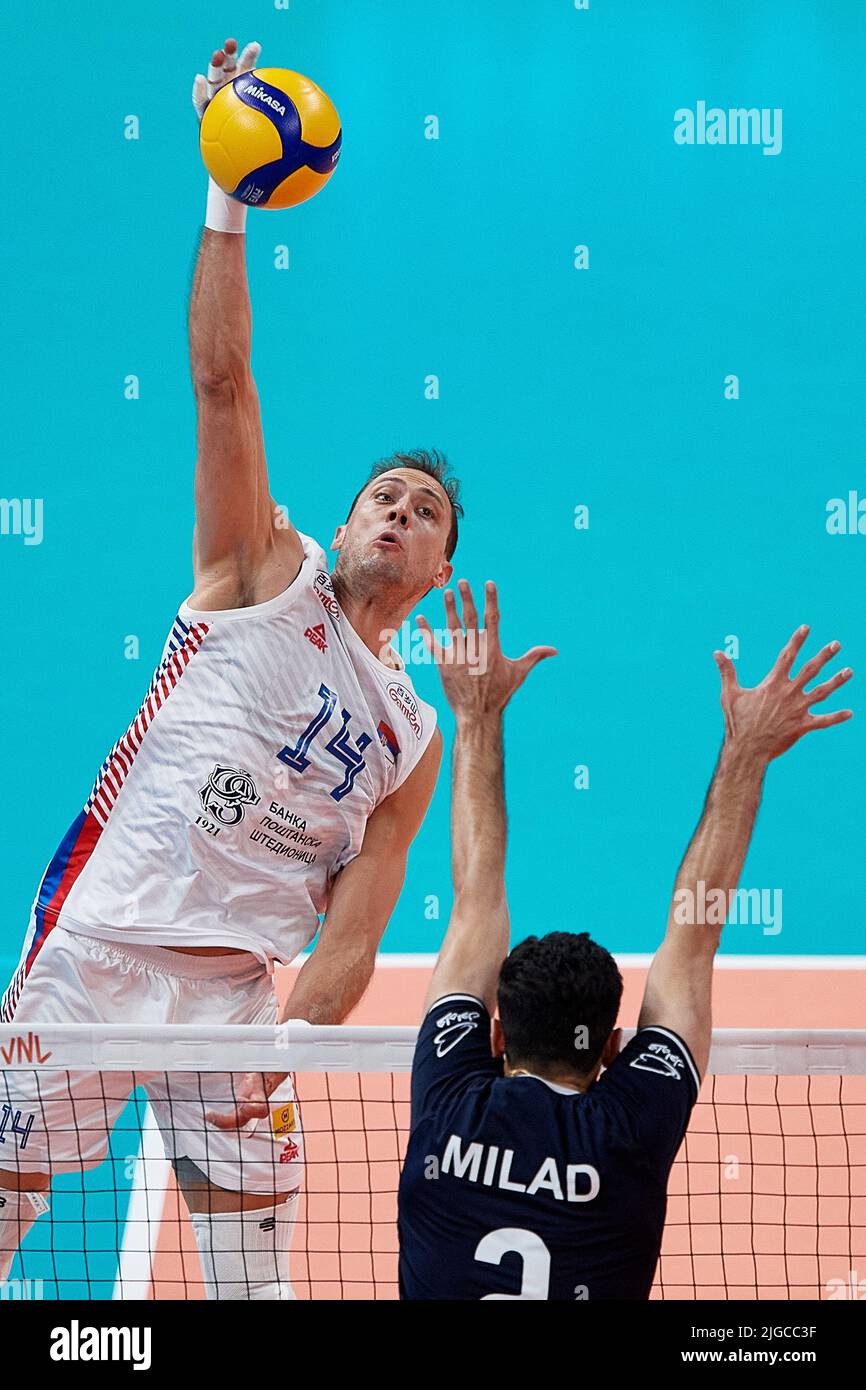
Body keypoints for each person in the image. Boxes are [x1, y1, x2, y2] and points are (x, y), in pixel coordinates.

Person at [0, 35, 458, 1301]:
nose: (397, 512)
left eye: (424, 513)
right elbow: (219, 380)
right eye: (385, 492)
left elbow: (360, 924)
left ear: (433, 574)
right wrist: (223, 192)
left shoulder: (410, 737)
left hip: (231, 1006)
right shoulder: (264, 574)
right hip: (95, 947)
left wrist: (305, 1015)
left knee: (255, 1285)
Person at [397, 600, 852, 1299]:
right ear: (611, 1048)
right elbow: (692, 941)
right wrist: (746, 752)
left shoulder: (449, 1102)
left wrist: (477, 717)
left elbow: (475, 900)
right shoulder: (626, 1134)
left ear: (494, 1034)